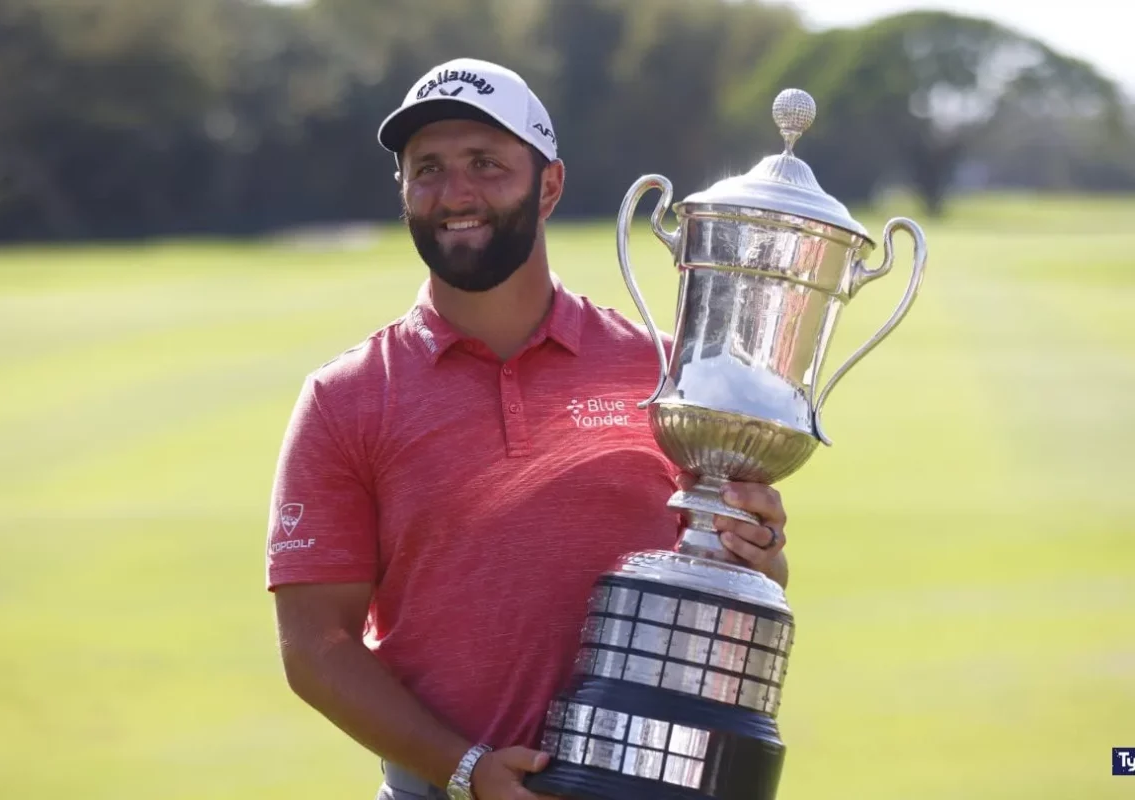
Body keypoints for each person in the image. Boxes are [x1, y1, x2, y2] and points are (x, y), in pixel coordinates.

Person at [265, 57, 790, 800]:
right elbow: (316, 647)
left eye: (486, 163)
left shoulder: (671, 376)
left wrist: (758, 553)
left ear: (549, 186)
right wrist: (465, 769)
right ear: (404, 191)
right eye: (429, 169)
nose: (456, 194)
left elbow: (735, 591)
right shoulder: (346, 398)